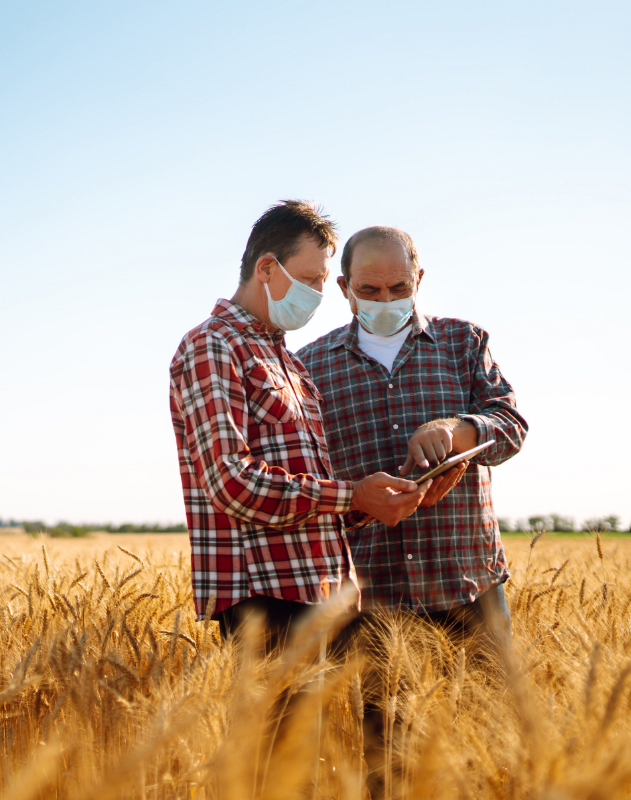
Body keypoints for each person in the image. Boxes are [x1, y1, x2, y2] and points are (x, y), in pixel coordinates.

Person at [169, 204, 433, 645]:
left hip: (321, 591)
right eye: (310, 279)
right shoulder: (213, 346)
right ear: (267, 268)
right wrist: (352, 493)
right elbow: (231, 482)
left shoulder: (290, 363)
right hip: (266, 599)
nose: (317, 293)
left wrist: (371, 503)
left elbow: (308, 493)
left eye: (322, 282)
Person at [298, 226, 528, 648]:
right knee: (385, 717)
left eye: (399, 287)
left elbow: (511, 425)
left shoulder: (464, 342)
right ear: (344, 288)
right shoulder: (307, 367)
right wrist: (358, 505)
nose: (386, 300)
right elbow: (307, 476)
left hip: (468, 580)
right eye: (369, 289)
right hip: (373, 595)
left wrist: (455, 431)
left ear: (419, 279)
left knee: (491, 713)